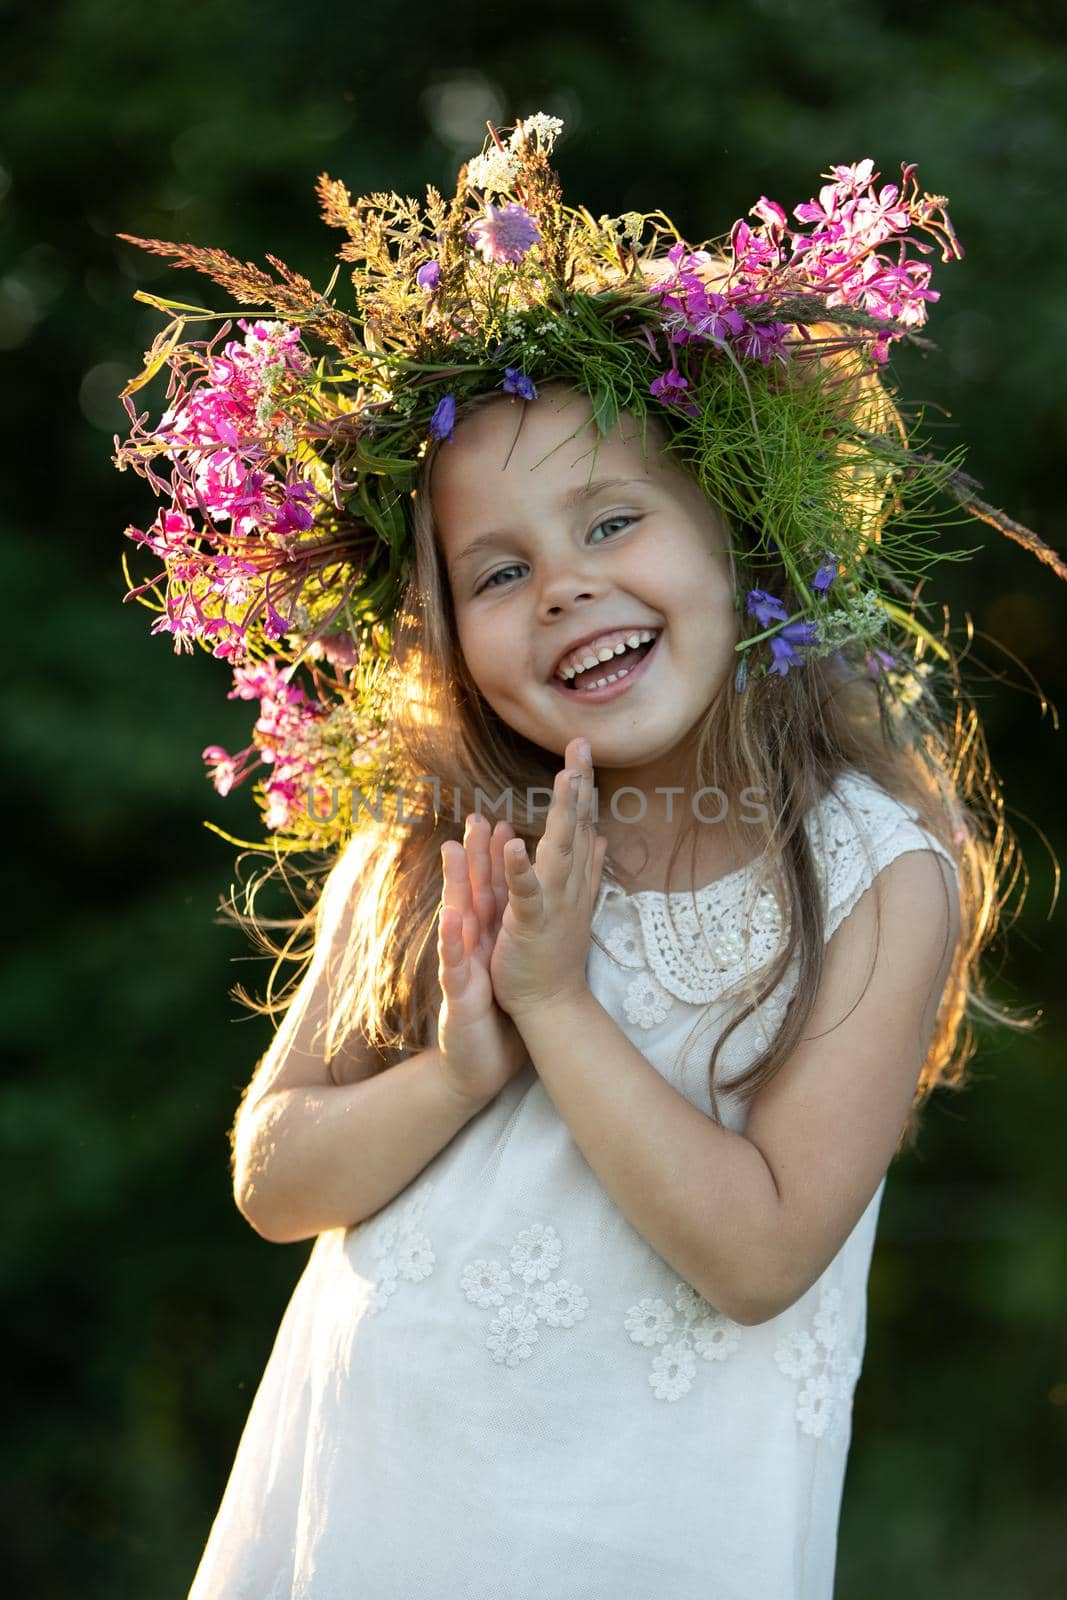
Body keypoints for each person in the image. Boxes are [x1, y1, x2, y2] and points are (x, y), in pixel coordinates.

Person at [114, 117, 1064, 1599]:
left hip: (647, 1541)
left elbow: (759, 1260)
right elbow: (276, 1178)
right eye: (499, 572)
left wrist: (556, 1008)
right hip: (370, 1514)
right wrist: (465, 1067)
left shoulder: (880, 872)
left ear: (736, 539)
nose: (565, 589)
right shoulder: (439, 830)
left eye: (611, 519)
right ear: (451, 639)